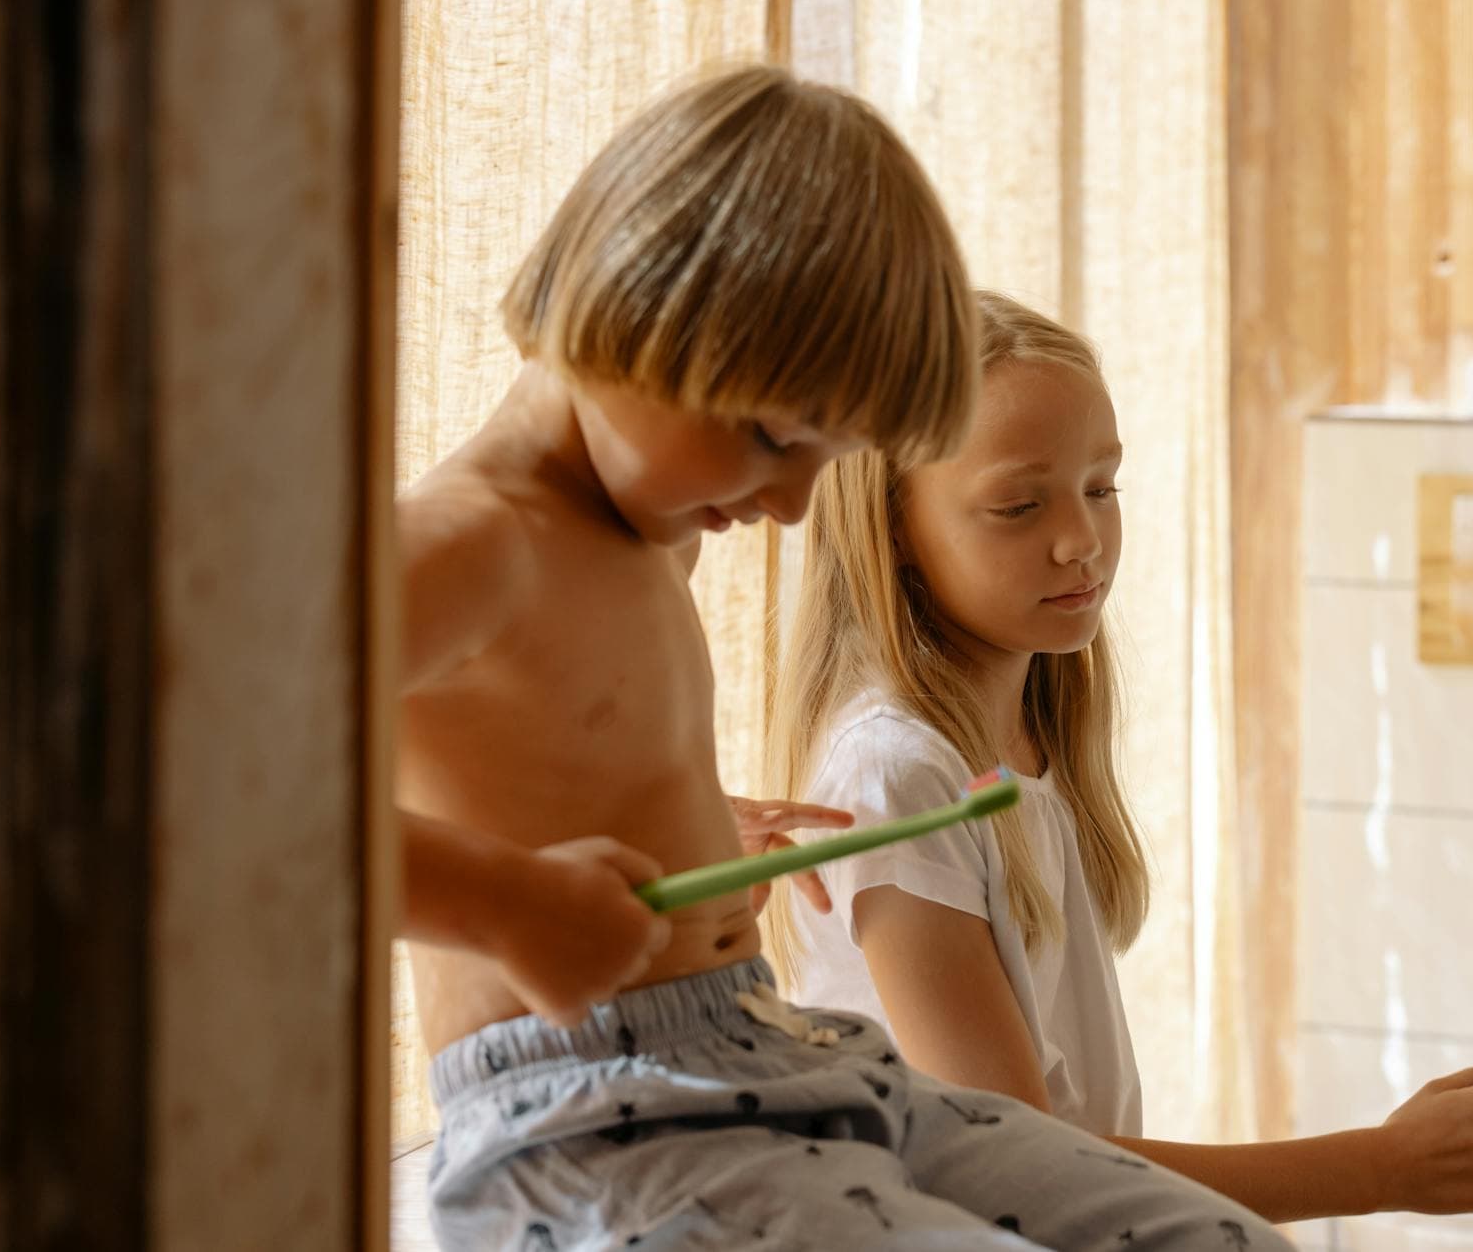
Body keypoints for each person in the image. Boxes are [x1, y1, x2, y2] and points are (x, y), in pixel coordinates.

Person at [398, 68, 1293, 1250]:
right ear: (637, 306)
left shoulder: (646, 526)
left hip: (754, 1046)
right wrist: (510, 906)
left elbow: (537, 755)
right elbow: (226, 803)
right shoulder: (468, 540)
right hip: (586, 1118)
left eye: (825, 454)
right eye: (774, 436)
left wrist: (699, 832)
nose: (786, 501)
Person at [763, 289, 1473, 1224]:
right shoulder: (895, 775)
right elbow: (1013, 1165)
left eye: (1102, 487)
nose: (1081, 540)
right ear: (893, 530)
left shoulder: (1028, 742)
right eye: (1017, 505)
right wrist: (1376, 1169)